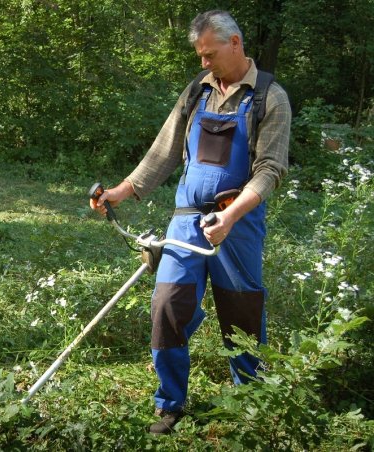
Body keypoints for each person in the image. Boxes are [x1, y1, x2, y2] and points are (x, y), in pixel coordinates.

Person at [90, 10, 291, 434]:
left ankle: (251, 402)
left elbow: (270, 169)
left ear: (234, 43)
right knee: (167, 305)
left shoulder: (269, 97)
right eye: (199, 55)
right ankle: (170, 403)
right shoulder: (196, 92)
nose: (203, 63)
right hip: (186, 220)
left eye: (209, 54)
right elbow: (163, 151)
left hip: (238, 223)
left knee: (241, 315)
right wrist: (119, 192)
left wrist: (231, 216)